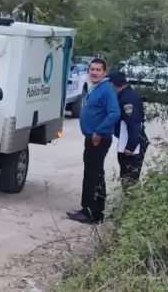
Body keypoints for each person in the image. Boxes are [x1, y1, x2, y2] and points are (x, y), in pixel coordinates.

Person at [67, 58, 119, 224]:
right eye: (92, 69)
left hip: (98, 138)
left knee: (94, 175)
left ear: (105, 72)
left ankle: (93, 212)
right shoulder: (96, 87)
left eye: (98, 70)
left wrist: (99, 131)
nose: (94, 73)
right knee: (91, 173)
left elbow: (114, 113)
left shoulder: (106, 90)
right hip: (91, 137)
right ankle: (88, 208)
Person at [108, 70, 149, 193]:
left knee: (130, 178)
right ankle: (128, 204)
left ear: (112, 84)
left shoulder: (128, 99)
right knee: (126, 177)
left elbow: (135, 125)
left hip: (133, 145)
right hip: (129, 142)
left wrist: (130, 147)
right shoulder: (124, 96)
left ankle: (131, 206)